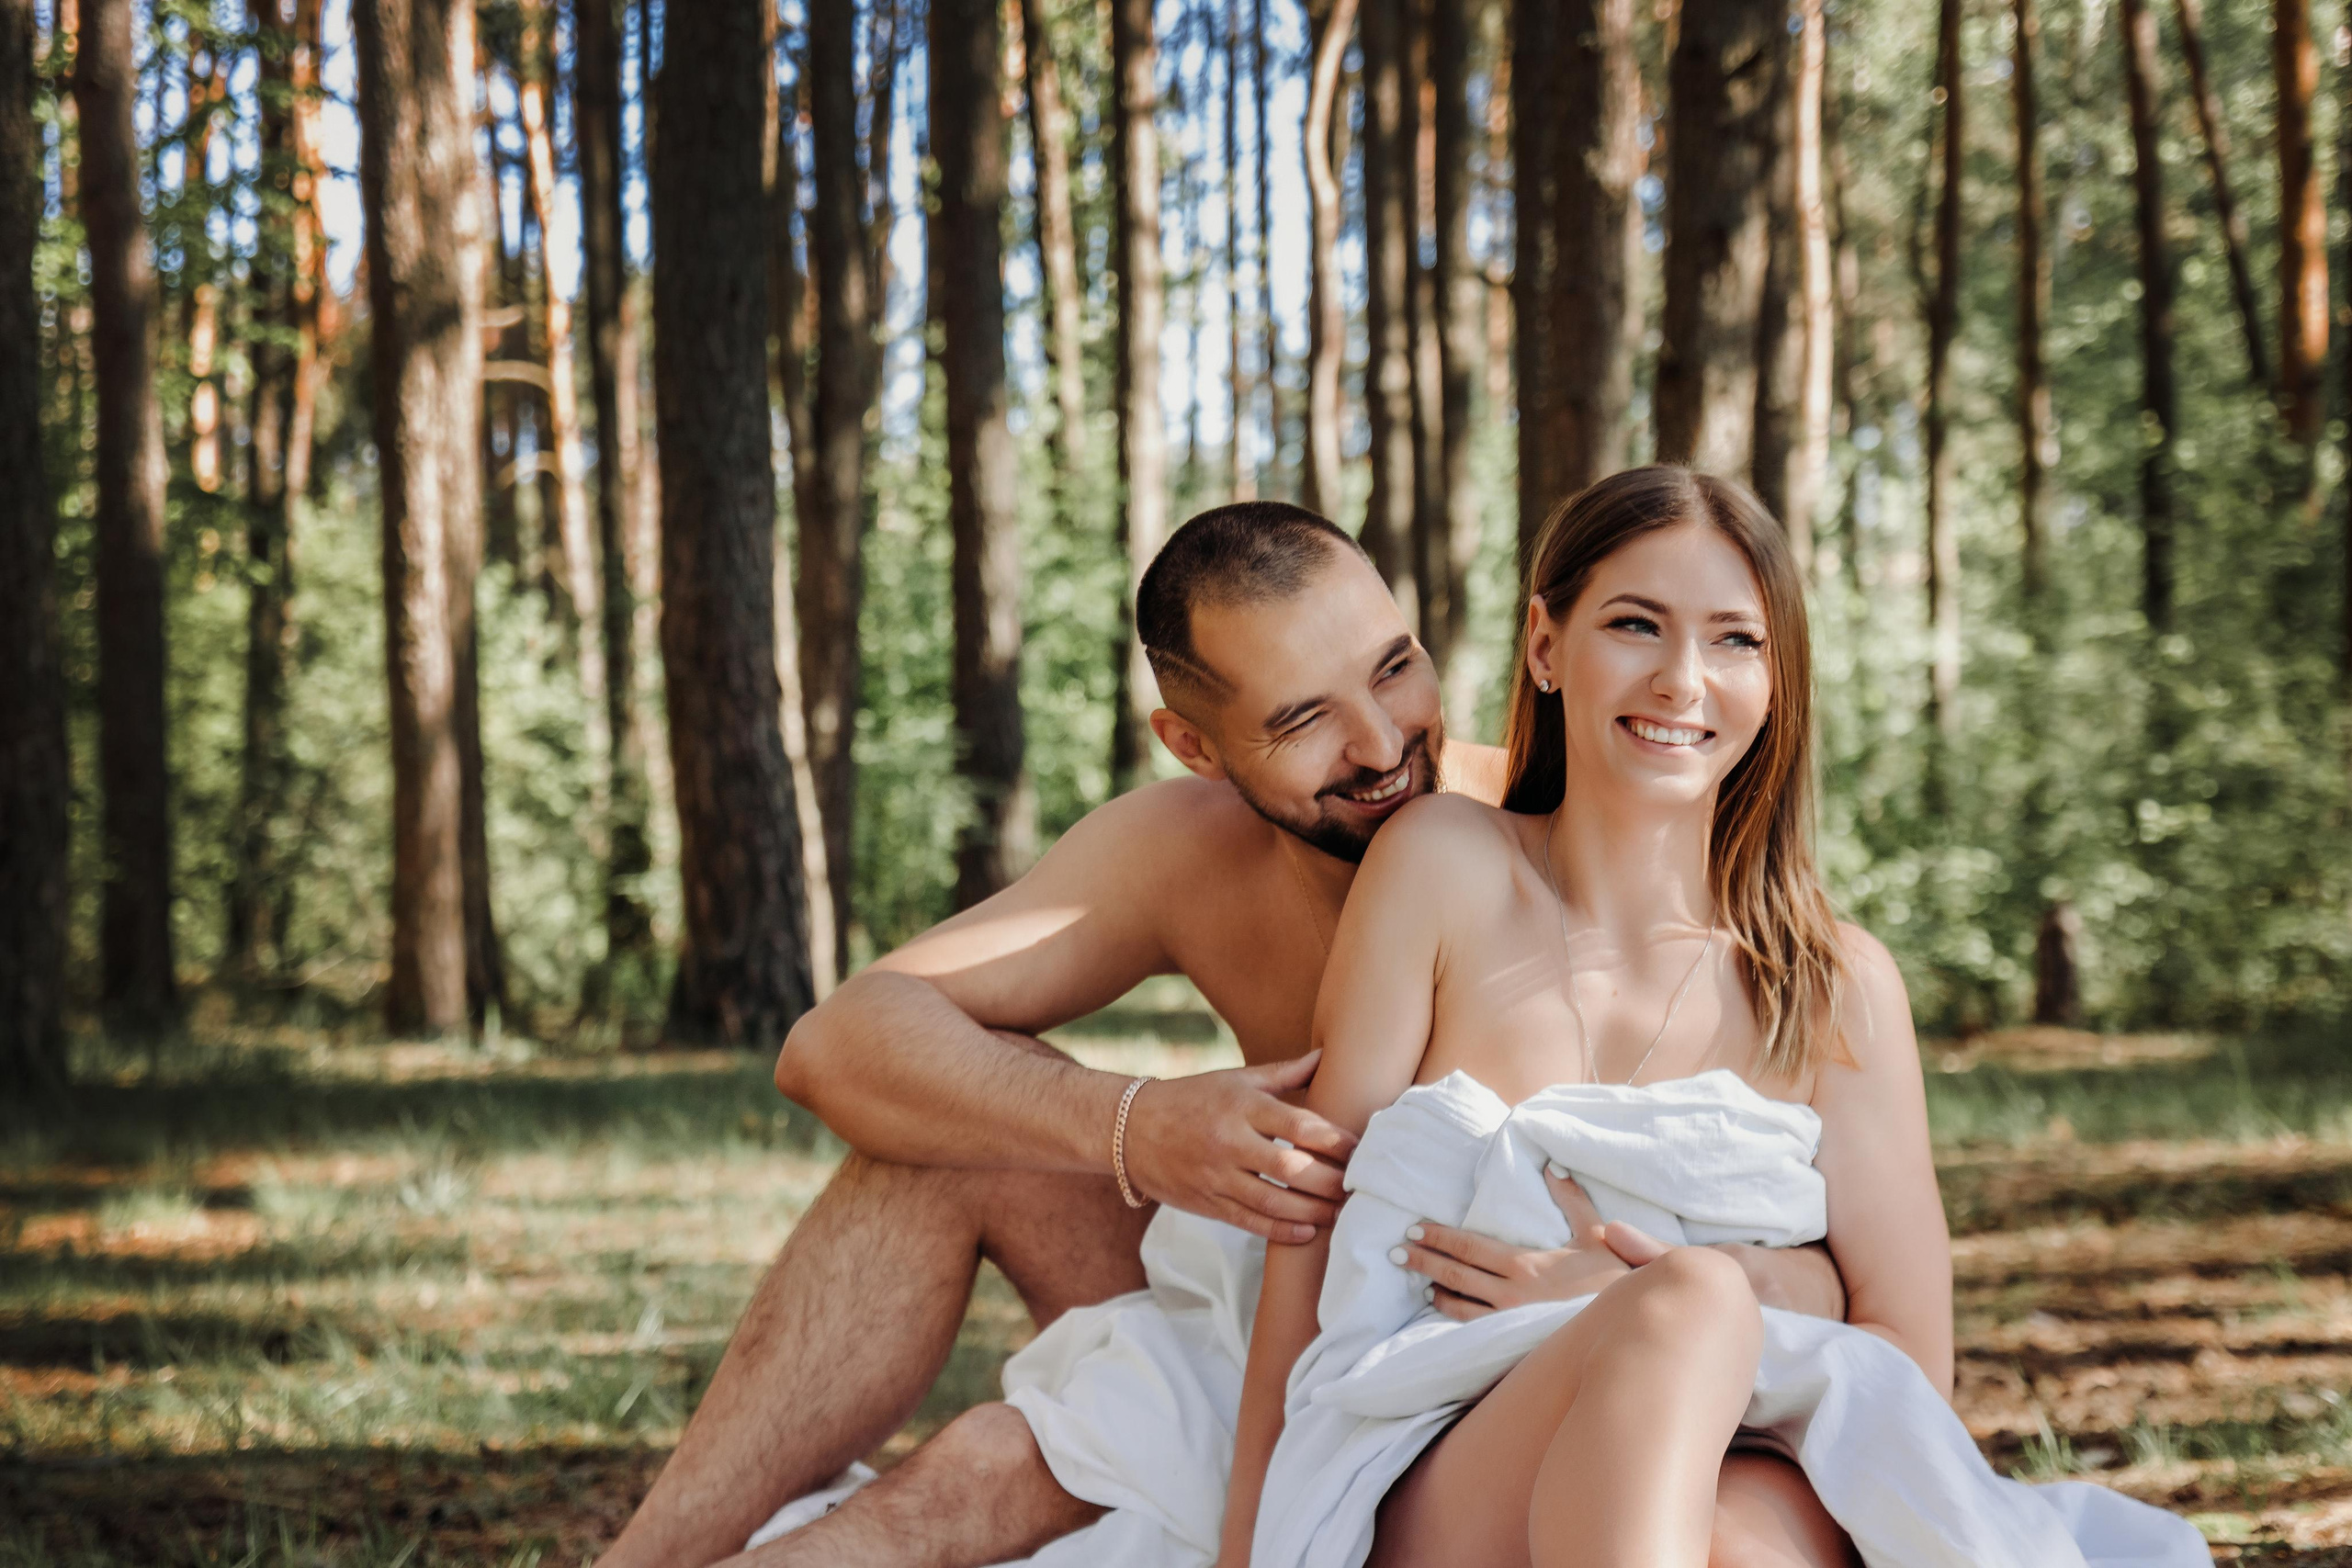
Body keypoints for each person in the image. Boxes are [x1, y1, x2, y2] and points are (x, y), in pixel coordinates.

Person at [593, 501, 1851, 1568]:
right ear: (1195, 745)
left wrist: (1723, 1287)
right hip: (1266, 1289)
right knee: (950, 1133)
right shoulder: (1182, 848)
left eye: (1395, 666)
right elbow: (837, 1041)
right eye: (1304, 717)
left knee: (980, 1461)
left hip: (1477, 1347)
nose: (1382, 743)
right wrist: (1140, 1124)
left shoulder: (1553, 811)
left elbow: (1776, 1165)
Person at [1190, 468, 2208, 1568]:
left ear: (1776, 682)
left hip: (1747, 1456)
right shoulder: (1440, 865)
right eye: (1636, 625)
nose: (1682, 680)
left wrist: (1663, 1297)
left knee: (1725, 1482)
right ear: (1545, 645)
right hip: (1447, 1462)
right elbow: (1310, 1214)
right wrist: (1252, 1546)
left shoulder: (1834, 987)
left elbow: (1905, 1362)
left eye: (1735, 641)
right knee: (1688, 1305)